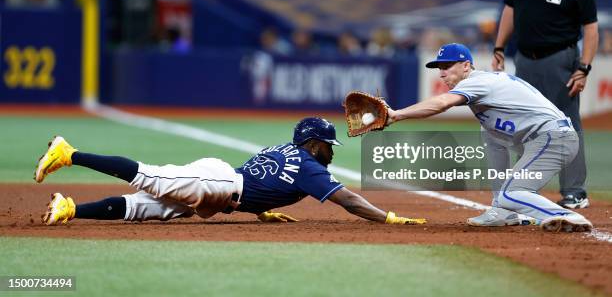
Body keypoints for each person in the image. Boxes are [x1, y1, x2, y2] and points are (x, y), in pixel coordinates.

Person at [35, 118, 426, 226]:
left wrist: (262, 209)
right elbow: (349, 199)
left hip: (222, 188)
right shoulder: (308, 165)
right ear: (313, 144)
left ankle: (70, 210)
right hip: (220, 185)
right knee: (150, 177)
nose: (329, 152)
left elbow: (265, 179)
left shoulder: (284, 150)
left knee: (146, 207)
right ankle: (70, 153)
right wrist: (388, 217)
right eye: (327, 146)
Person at [386, 43, 593, 233]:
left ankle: (565, 215)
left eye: (447, 66)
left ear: (466, 66)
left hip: (554, 139)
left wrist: (397, 114)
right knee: (488, 132)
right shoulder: (486, 81)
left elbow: (441, 103)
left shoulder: (478, 83)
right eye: (439, 68)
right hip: (541, 139)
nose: (442, 73)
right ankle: (502, 211)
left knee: (511, 194)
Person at [491, 0, 599, 209]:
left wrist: (584, 67)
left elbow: (591, 29)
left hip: (559, 60)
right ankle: (524, 188)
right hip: (525, 60)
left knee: (567, 125)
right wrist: (499, 47)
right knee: (524, 125)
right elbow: (510, 10)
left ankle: (575, 191)